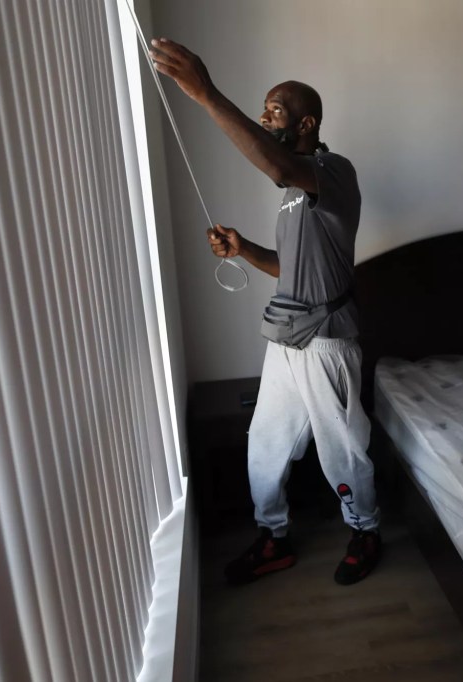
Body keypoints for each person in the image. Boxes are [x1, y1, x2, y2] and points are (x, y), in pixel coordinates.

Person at [149, 38, 382, 586]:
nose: (264, 115)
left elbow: (277, 167)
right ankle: (272, 537)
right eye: (264, 108)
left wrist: (206, 93)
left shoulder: (331, 171)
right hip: (285, 334)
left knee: (341, 452)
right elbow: (296, 267)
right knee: (265, 444)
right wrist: (244, 250)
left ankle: (365, 529)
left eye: (274, 109)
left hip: (326, 340)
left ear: (307, 123)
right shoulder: (294, 192)